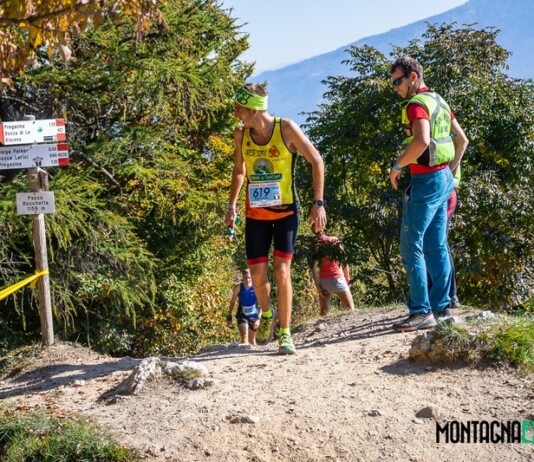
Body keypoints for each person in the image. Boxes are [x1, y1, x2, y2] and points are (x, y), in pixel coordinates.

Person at [225, 83, 327, 354]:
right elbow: (239, 170)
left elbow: (316, 160)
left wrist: (318, 203)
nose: (235, 113)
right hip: (255, 215)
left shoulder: (286, 129)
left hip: (286, 213)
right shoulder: (240, 135)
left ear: (253, 110)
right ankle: (267, 312)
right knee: (258, 278)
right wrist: (231, 205)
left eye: (239, 108)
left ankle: (285, 332)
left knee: (282, 271)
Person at [389, 57, 468, 332]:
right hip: (445, 178)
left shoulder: (416, 104)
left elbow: (421, 141)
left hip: (426, 181)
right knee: (436, 244)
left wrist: (397, 166)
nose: (395, 87)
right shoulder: (439, 100)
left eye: (398, 81)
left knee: (411, 245)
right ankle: (442, 308)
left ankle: (421, 311)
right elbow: (462, 139)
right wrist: (450, 172)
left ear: (413, 77)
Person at [311, 225, 355, 315]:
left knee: (324, 313)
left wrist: (318, 288)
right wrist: (348, 279)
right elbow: (344, 260)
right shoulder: (334, 240)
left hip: (323, 281)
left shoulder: (313, 245)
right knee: (351, 310)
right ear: (324, 227)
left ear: (312, 230)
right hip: (337, 279)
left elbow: (313, 268)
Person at [227, 269, 260, 345]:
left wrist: (259, 318)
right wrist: (229, 315)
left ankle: (252, 353)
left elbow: (261, 304)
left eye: (249, 278)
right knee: (244, 337)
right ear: (243, 277)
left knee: (252, 340)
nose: (247, 280)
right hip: (242, 314)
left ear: (252, 277)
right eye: (245, 278)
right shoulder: (238, 287)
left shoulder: (256, 287)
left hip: (254, 316)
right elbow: (232, 302)